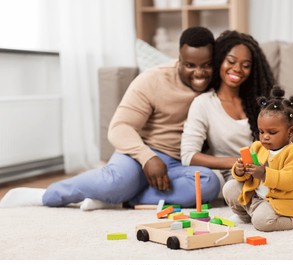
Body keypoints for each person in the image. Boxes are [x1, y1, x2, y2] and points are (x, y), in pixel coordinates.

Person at [0, 26, 221, 210]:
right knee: (118, 181)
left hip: (178, 164)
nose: (199, 73)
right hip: (140, 153)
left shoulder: (220, 81)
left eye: (206, 65)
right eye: (190, 65)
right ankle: (46, 196)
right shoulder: (153, 80)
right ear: (179, 59)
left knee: (208, 184)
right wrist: (147, 157)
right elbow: (120, 127)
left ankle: (115, 199)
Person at [180, 30, 293, 204]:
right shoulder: (203, 103)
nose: (237, 69)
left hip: (278, 166)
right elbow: (189, 156)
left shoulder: (259, 99)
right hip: (244, 174)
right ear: (220, 60)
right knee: (245, 192)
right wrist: (239, 162)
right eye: (231, 61)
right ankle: (282, 196)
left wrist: (281, 146)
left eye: (246, 65)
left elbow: (291, 132)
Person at [224, 87, 293, 232]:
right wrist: (239, 170)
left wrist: (264, 174)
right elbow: (246, 177)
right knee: (230, 187)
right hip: (256, 196)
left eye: (272, 132)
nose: (265, 136)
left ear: (291, 131)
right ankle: (246, 216)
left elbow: (291, 180)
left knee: (262, 223)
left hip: (279, 202)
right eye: (261, 131)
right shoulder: (256, 147)